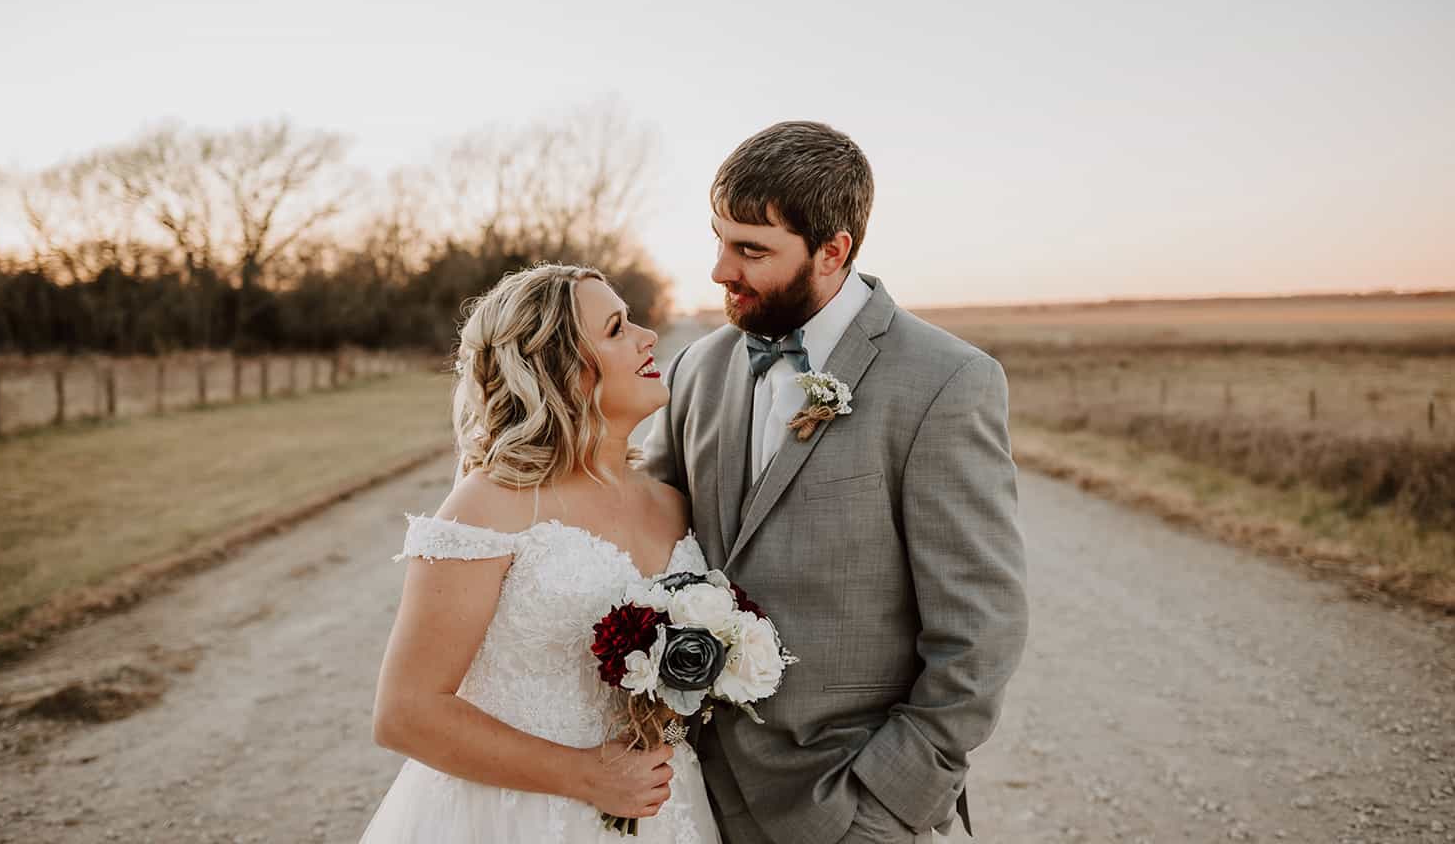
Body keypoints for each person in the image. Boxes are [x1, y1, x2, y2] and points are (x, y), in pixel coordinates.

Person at [640, 121, 1028, 844]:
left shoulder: (947, 381)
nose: (721, 271)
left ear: (833, 251)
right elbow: (644, 537)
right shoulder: (698, 367)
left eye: (752, 250)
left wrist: (886, 804)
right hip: (692, 792)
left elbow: (980, 630)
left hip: (846, 800)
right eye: (719, 239)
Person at [361, 263, 722, 843]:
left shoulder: (674, 504)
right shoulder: (489, 505)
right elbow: (405, 712)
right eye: (616, 328)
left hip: (664, 812)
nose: (647, 337)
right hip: (514, 817)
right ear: (565, 372)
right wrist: (586, 775)